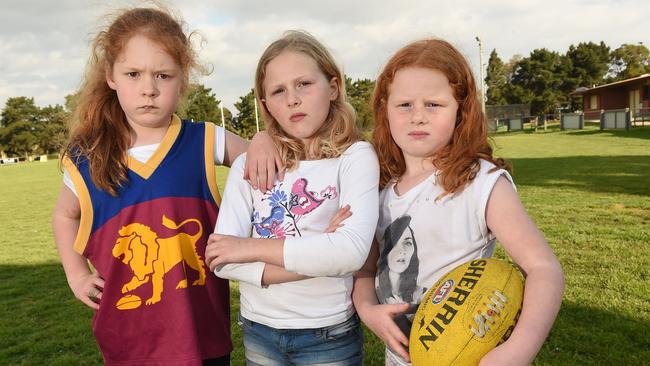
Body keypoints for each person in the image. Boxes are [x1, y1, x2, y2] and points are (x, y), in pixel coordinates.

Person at [51, 6, 282, 365]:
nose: (149, 89)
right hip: (127, 341)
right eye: (133, 74)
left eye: (163, 75)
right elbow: (65, 215)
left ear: (183, 79)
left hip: (201, 335)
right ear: (110, 76)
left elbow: (262, 160)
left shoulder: (206, 140)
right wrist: (76, 272)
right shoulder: (88, 157)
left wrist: (263, 137)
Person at [352, 39, 565, 366]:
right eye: (405, 104)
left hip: (469, 356)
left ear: (461, 111)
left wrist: (516, 351)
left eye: (434, 105)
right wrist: (368, 310)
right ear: (384, 109)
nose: (418, 116)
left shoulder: (480, 183)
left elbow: (543, 268)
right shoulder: (378, 189)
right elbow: (365, 270)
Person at [204, 30, 379, 365]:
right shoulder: (249, 164)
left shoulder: (355, 157)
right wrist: (322, 251)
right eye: (278, 90)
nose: (292, 99)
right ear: (266, 103)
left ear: (333, 87)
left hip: (327, 332)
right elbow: (222, 260)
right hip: (259, 329)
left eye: (304, 84)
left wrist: (250, 247)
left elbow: (350, 252)